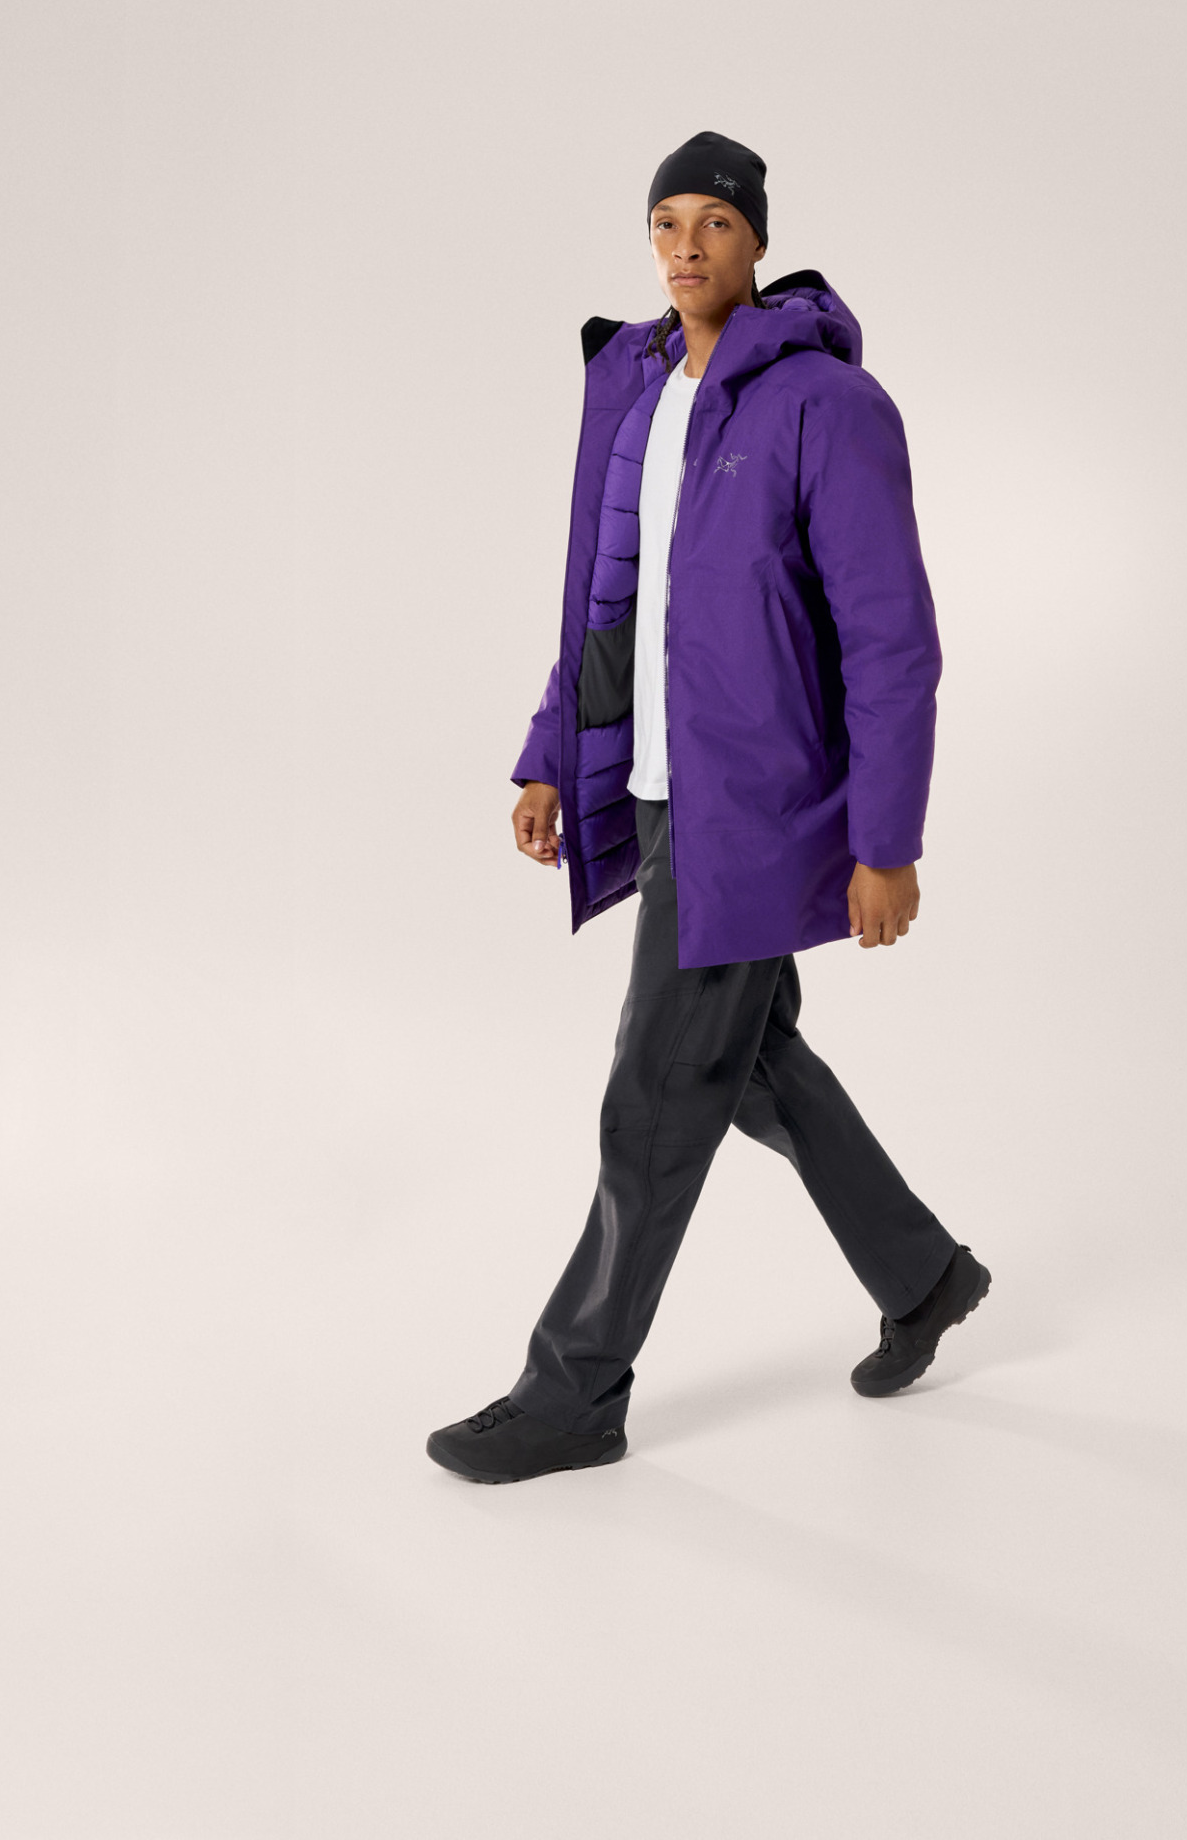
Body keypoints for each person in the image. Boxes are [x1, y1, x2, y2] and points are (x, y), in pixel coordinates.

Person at [427, 130, 990, 1485]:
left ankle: (574, 1390)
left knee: (657, 1090)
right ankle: (923, 1275)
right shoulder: (636, 391)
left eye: (714, 224)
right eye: (665, 223)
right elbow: (610, 599)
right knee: (749, 1063)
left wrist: (886, 840)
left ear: (757, 242)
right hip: (656, 788)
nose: (686, 247)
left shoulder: (823, 404)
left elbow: (893, 640)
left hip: (758, 803)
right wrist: (551, 753)